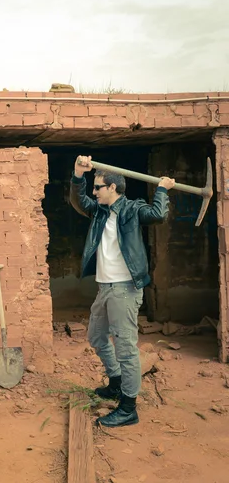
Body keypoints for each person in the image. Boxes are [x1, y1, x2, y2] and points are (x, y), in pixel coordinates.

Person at [70, 155, 175, 427]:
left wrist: (162, 190)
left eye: (98, 187)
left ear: (113, 188)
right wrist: (78, 176)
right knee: (96, 336)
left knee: (126, 349)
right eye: (94, 188)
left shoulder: (132, 209)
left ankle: (128, 408)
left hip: (125, 289)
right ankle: (116, 383)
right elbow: (80, 201)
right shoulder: (100, 211)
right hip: (105, 288)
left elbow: (158, 214)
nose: (94, 192)